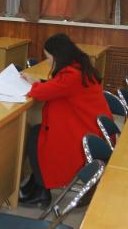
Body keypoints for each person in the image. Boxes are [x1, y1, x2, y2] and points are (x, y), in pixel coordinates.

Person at [18, 34, 111, 207]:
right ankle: (37, 183)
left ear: (58, 56)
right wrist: (39, 82)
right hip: (90, 128)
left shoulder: (72, 75)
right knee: (37, 133)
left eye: (48, 58)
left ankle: (42, 190)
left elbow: (41, 93)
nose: (48, 63)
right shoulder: (79, 68)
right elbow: (57, 86)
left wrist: (36, 84)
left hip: (84, 136)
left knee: (36, 138)